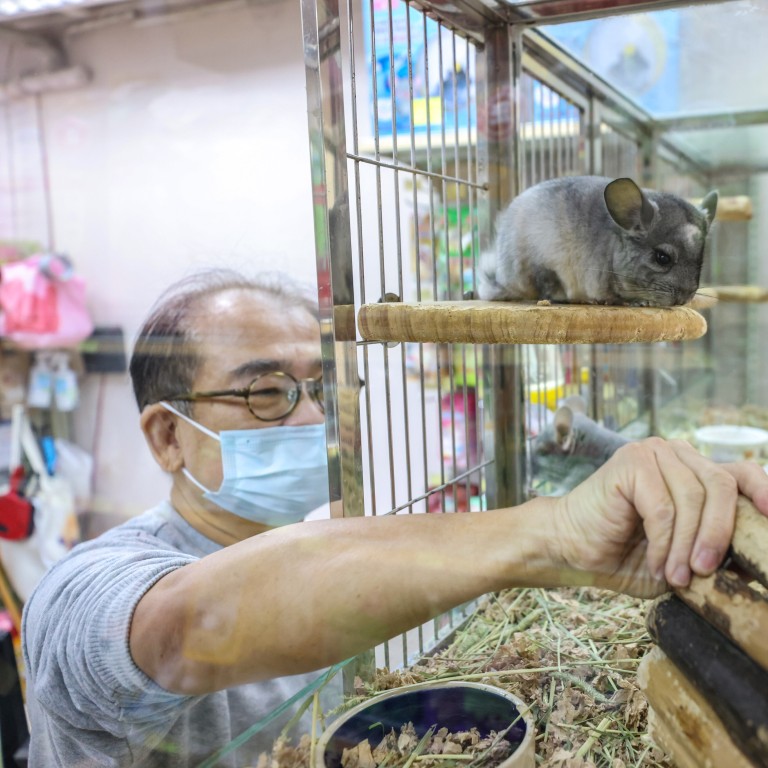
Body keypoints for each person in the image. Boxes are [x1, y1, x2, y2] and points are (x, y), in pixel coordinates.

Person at [22, 268, 768, 767]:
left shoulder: (323, 541)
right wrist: (551, 531)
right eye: (266, 392)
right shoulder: (81, 588)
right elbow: (186, 628)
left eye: (317, 388)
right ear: (166, 435)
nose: (312, 417)